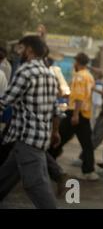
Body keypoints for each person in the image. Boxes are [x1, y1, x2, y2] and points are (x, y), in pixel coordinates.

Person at [0, 36, 60, 208]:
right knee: (5, 177)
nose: (19, 52)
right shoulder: (50, 74)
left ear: (30, 50)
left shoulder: (25, 71)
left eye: (21, 48)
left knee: (37, 186)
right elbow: (55, 109)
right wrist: (55, 131)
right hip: (36, 138)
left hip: (28, 140)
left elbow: (5, 101)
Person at [50, 52, 98, 180]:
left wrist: (75, 114)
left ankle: (49, 163)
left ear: (77, 62)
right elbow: (81, 94)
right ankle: (89, 171)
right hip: (85, 113)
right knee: (87, 143)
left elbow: (79, 96)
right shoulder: (89, 76)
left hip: (75, 112)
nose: (74, 64)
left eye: (75, 62)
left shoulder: (79, 76)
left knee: (58, 137)